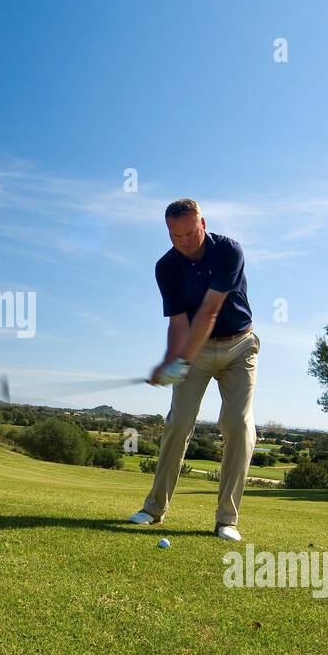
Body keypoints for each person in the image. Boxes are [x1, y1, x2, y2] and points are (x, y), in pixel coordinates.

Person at [128, 198, 259, 541]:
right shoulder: (166, 267)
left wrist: (179, 360)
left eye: (189, 232)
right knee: (178, 421)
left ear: (203, 223)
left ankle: (226, 520)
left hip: (239, 347)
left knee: (237, 425)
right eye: (175, 236)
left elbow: (209, 312)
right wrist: (171, 360)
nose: (184, 242)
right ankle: (153, 509)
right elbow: (178, 322)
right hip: (195, 353)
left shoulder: (229, 251)